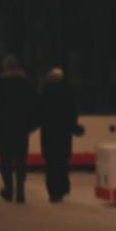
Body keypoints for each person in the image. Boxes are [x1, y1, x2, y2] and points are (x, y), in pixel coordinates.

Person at [0, 56, 37, 205]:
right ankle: (20, 190)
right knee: (20, 159)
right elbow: (34, 107)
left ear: (5, 67)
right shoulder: (26, 84)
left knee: (5, 159)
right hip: (21, 127)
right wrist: (30, 126)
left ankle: (8, 187)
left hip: (3, 127)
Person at [37, 67, 78, 203]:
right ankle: (63, 187)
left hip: (49, 133)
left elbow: (40, 113)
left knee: (51, 164)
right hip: (64, 133)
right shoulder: (68, 92)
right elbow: (73, 113)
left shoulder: (45, 93)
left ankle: (53, 191)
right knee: (62, 162)